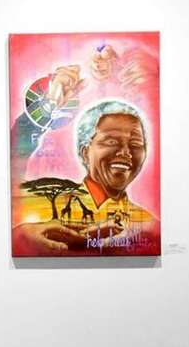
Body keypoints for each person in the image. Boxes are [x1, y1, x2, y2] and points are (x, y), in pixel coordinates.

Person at [12, 99, 159, 255]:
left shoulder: (148, 225)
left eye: (136, 144)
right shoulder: (43, 205)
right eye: (111, 141)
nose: (126, 152)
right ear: (85, 153)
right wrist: (19, 237)